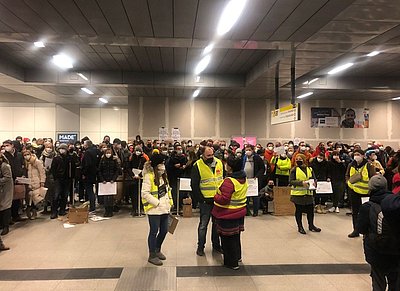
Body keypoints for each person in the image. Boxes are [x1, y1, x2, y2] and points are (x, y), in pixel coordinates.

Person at [356, 175, 400, 291]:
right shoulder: (395, 205)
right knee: (395, 281)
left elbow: (360, 229)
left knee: (378, 282)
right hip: (396, 249)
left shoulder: (367, 206)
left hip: (376, 250)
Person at [212, 155, 247, 270]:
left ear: (230, 167)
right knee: (235, 237)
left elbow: (224, 199)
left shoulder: (229, 181)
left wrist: (215, 196)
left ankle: (231, 263)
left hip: (227, 214)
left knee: (227, 240)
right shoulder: (242, 178)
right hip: (239, 212)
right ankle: (237, 257)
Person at [141, 153, 173, 266]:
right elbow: (144, 193)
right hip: (154, 209)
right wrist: (157, 203)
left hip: (165, 208)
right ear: (156, 165)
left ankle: (157, 249)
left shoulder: (163, 175)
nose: (163, 165)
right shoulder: (148, 176)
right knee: (154, 231)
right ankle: (152, 254)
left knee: (164, 230)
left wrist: (170, 203)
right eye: (161, 163)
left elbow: (168, 190)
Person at [191, 146, 223, 256]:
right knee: (203, 225)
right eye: (208, 155)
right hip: (205, 201)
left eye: (212, 155)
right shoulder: (197, 165)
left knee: (216, 225)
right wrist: (201, 200)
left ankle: (216, 245)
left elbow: (221, 179)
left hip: (218, 200)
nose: (211, 157)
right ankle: (200, 247)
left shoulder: (219, 163)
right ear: (202, 155)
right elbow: (194, 185)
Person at [347, 149, 376, 238]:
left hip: (366, 193)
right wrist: (348, 183)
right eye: (355, 154)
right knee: (355, 212)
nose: (356, 156)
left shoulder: (368, 165)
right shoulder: (351, 165)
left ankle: (366, 231)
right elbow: (347, 176)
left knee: (366, 212)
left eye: (358, 154)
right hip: (354, 192)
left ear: (363, 155)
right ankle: (356, 230)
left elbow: (373, 177)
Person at [289, 154, 321, 234]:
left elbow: (313, 178)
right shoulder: (294, 169)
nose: (298, 160)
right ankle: (300, 227)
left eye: (300, 159)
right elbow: (291, 181)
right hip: (298, 194)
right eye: (297, 159)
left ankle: (311, 226)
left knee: (310, 210)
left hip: (308, 193)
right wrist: (301, 183)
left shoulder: (309, 169)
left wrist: (314, 183)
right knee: (299, 211)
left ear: (304, 160)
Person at [3, 140, 24, 223]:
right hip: (9, 179)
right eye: (4, 146)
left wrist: (22, 174)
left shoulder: (19, 155)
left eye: (7, 145)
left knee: (17, 198)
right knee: (9, 199)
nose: (6, 147)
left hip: (19, 179)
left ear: (12, 145)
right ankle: (9, 218)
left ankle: (16, 215)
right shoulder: (4, 155)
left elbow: (22, 165)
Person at [241, 145, 264, 216]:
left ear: (252, 150)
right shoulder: (244, 157)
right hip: (246, 179)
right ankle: (247, 211)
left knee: (255, 197)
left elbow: (262, 168)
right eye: (246, 150)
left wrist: (257, 176)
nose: (247, 151)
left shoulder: (257, 158)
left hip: (254, 180)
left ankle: (255, 212)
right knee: (246, 197)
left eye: (249, 150)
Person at [24, 150, 45, 220]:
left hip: (37, 182)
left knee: (35, 198)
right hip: (29, 183)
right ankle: (32, 211)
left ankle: (34, 212)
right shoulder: (26, 163)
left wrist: (42, 182)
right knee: (30, 198)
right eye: (25, 155)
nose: (26, 156)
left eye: (27, 154)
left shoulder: (37, 162)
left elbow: (42, 172)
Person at [50, 144, 70, 219]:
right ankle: (54, 211)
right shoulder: (56, 158)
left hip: (67, 179)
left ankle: (62, 210)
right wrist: (55, 178)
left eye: (63, 148)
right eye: (60, 148)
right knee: (56, 196)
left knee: (64, 196)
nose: (62, 150)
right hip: (58, 179)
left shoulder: (69, 158)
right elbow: (53, 169)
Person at [98, 148, 120, 217]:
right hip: (104, 181)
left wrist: (113, 179)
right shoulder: (102, 160)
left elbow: (117, 170)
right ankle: (106, 210)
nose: (108, 154)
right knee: (105, 197)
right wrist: (102, 179)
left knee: (111, 197)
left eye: (109, 153)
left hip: (111, 181)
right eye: (107, 153)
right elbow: (99, 170)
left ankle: (110, 211)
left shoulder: (114, 160)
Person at [81, 140, 100, 213]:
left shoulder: (87, 152)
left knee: (90, 191)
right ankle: (93, 205)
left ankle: (92, 207)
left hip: (89, 174)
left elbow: (87, 164)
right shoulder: (96, 151)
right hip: (95, 173)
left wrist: (84, 173)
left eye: (84, 144)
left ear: (87, 145)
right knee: (92, 190)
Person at [0, 153, 13, 236]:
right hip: (1, 189)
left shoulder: (4, 166)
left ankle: (6, 226)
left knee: (5, 207)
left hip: (6, 189)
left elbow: (7, 178)